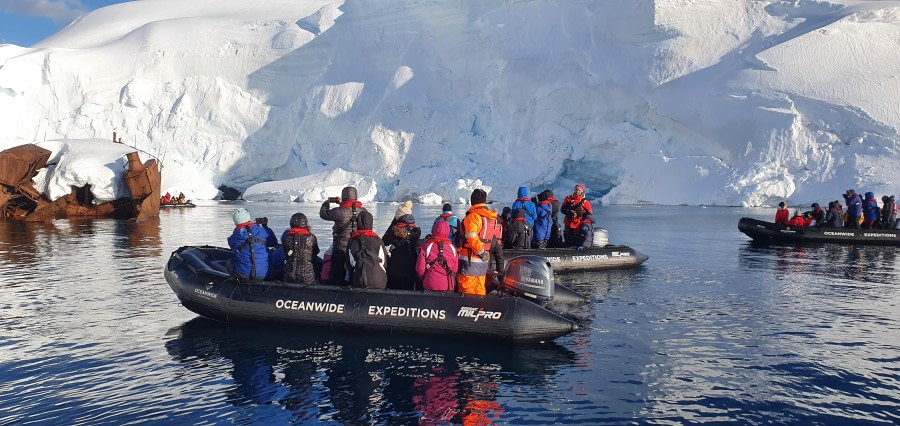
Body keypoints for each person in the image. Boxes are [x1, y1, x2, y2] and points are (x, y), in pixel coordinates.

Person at [457, 189, 501, 296]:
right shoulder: (490, 218)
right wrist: (484, 254)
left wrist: (480, 252)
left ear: (472, 201)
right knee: (480, 290)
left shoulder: (473, 217)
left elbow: (472, 237)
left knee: (467, 291)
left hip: (470, 261)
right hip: (483, 263)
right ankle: (480, 310)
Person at [320, 186, 368, 284]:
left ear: (344, 196)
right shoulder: (363, 211)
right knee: (354, 271)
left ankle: (337, 290)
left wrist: (327, 202)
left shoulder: (339, 211)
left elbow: (323, 214)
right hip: (357, 247)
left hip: (340, 247)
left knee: (337, 273)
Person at [346, 211, 388, 289]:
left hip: (358, 282)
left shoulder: (352, 241)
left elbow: (350, 265)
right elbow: (384, 263)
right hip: (378, 282)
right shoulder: (378, 240)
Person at [226, 208, 269, 281]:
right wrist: (264, 226)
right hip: (265, 273)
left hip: (243, 274)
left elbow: (232, 246)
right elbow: (273, 242)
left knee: (229, 262)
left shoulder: (234, 236)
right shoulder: (262, 230)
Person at [416, 220, 459, 292]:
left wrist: (426, 278)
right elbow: (455, 269)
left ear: (434, 229)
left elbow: (420, 268)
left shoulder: (427, 246)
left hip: (430, 284)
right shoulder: (452, 248)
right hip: (448, 285)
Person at [383, 213, 422, 290]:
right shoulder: (416, 233)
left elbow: (385, 241)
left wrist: (393, 222)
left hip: (395, 271)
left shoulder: (395, 233)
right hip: (411, 271)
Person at [282, 213, 320, 285]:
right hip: (307, 277)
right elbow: (316, 251)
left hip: (289, 276)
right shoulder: (311, 237)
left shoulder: (286, 238)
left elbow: (286, 254)